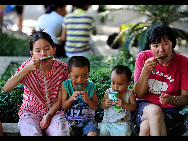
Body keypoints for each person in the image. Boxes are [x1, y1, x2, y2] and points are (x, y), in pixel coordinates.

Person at [3, 29, 70, 136]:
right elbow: (6, 88)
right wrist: (26, 69)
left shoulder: (62, 68)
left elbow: (60, 99)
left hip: (55, 112)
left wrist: (48, 115)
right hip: (30, 113)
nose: (43, 54)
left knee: (60, 133)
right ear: (32, 54)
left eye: (47, 49)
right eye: (38, 51)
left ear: (54, 49)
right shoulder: (27, 66)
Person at [133, 24, 188, 136]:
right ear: (150, 47)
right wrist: (145, 71)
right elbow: (138, 93)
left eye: (165, 44)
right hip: (144, 107)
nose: (161, 50)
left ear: (173, 44)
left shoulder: (183, 63)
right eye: (155, 46)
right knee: (155, 111)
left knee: (146, 127)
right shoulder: (143, 58)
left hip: (171, 110)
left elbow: (186, 98)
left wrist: (171, 99)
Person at [61, 56, 99, 136]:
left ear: (88, 73)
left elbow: (96, 107)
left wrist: (88, 100)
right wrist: (71, 98)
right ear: (69, 74)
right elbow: (64, 106)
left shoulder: (91, 86)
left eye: (84, 76)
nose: (80, 80)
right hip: (72, 120)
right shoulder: (66, 85)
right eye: (76, 76)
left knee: (93, 134)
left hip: (88, 120)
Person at [100, 65, 137, 136]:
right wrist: (105, 104)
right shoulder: (108, 91)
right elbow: (102, 105)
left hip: (122, 123)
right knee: (103, 131)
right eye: (113, 83)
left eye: (120, 84)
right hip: (108, 122)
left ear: (128, 83)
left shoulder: (130, 93)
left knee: (125, 132)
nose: (115, 87)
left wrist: (124, 104)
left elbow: (134, 107)